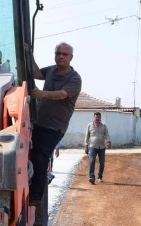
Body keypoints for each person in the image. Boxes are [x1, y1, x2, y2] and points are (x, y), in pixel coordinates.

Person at [25, 42, 82, 205]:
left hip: (54, 126)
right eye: (58, 53)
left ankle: (36, 197)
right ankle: (36, 180)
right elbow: (35, 73)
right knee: (31, 154)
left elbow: (62, 94)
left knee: (40, 157)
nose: (61, 56)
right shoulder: (51, 70)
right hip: (38, 121)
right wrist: (28, 54)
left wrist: (42, 94)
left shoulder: (74, 78)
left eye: (65, 54)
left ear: (71, 57)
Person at [84, 112, 110, 184]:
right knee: (92, 161)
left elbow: (107, 135)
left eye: (98, 117)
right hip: (92, 146)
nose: (97, 118)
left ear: (100, 118)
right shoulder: (89, 125)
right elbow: (87, 136)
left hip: (102, 147)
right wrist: (86, 145)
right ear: (94, 117)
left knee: (102, 163)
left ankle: (100, 177)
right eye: (96, 117)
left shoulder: (104, 126)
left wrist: (108, 141)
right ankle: (91, 177)